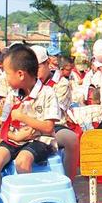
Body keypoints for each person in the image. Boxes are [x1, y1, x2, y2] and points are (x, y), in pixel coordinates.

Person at [0, 44, 60, 203]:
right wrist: (15, 135)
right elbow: (4, 124)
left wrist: (22, 117)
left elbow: (49, 128)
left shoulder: (47, 93)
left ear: (20, 74)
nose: (5, 77)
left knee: (22, 161)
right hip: (15, 138)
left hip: (40, 140)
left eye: (7, 73)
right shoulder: (13, 95)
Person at [31, 45, 79, 182]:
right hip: (29, 124)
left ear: (48, 63)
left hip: (54, 125)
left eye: (38, 67)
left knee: (71, 139)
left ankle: (69, 183)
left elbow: (55, 112)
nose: (35, 72)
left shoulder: (62, 83)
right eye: (31, 68)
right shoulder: (29, 81)